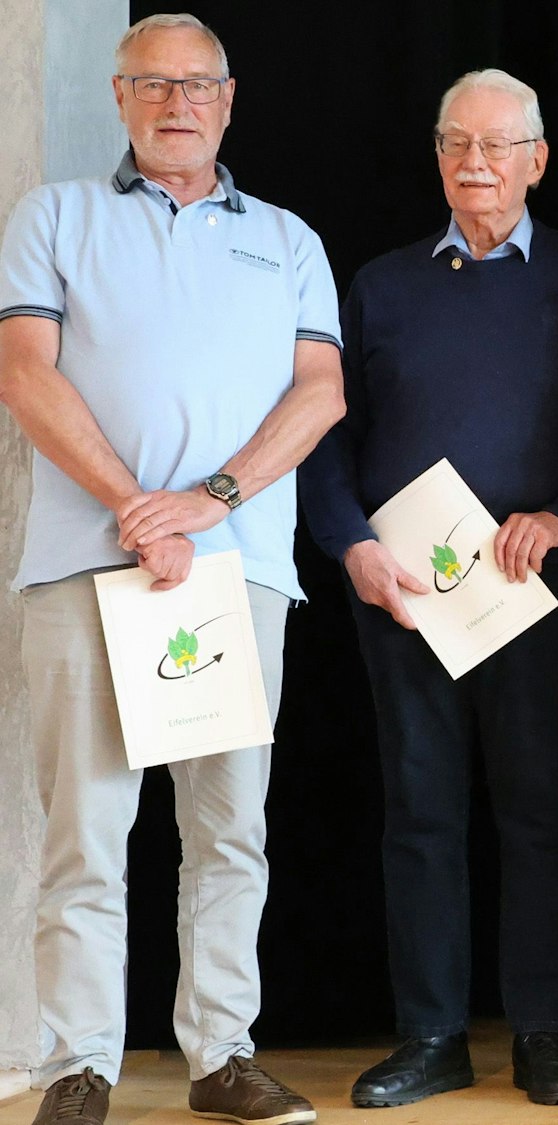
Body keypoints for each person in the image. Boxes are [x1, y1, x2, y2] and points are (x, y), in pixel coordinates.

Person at [0, 13, 343, 1125]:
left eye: (196, 84)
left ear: (229, 99)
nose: (176, 102)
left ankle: (219, 1058)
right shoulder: (53, 216)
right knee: (86, 836)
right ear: (118, 96)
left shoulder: (286, 238)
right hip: (82, 570)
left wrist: (209, 505)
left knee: (228, 831)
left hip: (232, 574)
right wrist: (135, 512)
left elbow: (320, 395)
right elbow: (23, 373)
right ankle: (76, 1068)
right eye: (152, 83)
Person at [297, 68, 558, 1110]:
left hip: (533, 593)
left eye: (496, 146)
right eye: (456, 144)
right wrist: (348, 544)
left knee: (538, 813)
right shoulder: (380, 285)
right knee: (420, 817)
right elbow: (321, 430)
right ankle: (431, 1034)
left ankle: (541, 1033)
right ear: (436, 156)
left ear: (538, 159)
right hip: (402, 595)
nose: (474, 164)